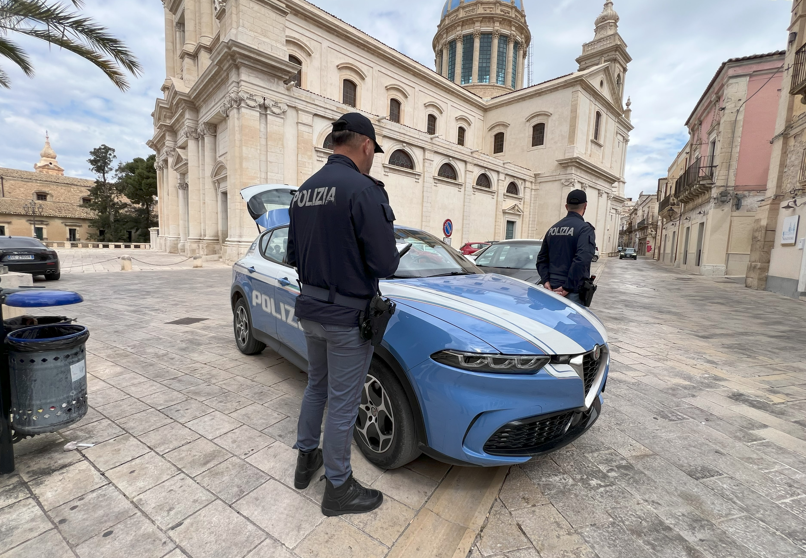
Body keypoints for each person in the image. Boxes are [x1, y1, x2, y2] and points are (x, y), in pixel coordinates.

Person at [286, 112, 400, 517]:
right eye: (373, 152)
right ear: (365, 145)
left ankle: (306, 460)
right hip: (347, 316)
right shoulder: (364, 190)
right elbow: (386, 264)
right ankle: (338, 487)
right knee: (344, 402)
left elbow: (293, 256)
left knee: (317, 385)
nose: (372, 159)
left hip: (310, 309)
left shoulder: (302, 192)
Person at [536, 189, 596, 305]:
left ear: (566, 206)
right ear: (585, 206)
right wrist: (567, 287)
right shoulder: (585, 229)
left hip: (551, 288)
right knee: (572, 323)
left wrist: (546, 281)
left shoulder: (552, 229)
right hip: (572, 291)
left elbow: (541, 259)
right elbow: (582, 259)